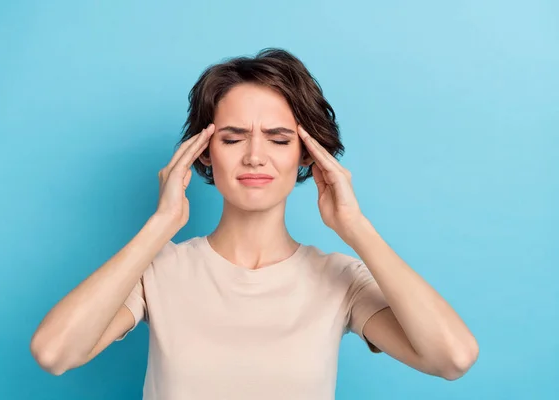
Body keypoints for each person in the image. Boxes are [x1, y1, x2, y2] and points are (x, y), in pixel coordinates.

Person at [30, 48, 479, 399]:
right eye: (232, 137)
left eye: (279, 138)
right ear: (203, 151)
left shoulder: (339, 279)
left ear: (306, 154)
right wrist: (161, 224)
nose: (255, 156)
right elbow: (54, 353)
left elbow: (453, 358)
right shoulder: (158, 271)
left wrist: (355, 225)